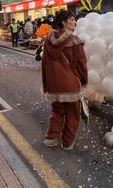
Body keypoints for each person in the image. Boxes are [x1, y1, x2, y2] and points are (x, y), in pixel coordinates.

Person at [41, 10, 88, 150]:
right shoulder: (75, 41)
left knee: (57, 112)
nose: (75, 22)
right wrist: (84, 82)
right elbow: (82, 66)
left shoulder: (48, 41)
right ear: (63, 22)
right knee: (73, 115)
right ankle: (67, 143)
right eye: (72, 19)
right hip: (71, 86)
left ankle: (51, 138)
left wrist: (47, 85)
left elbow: (44, 65)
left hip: (54, 85)